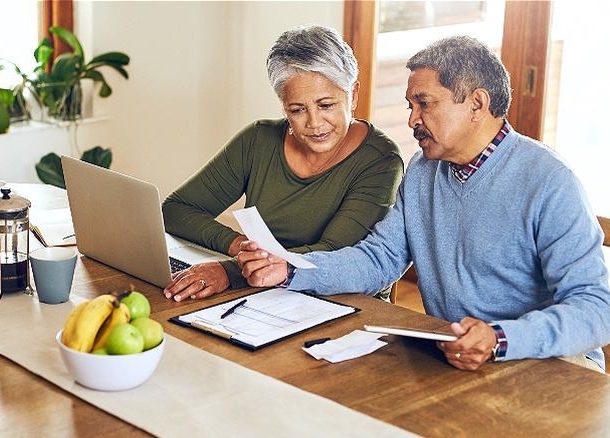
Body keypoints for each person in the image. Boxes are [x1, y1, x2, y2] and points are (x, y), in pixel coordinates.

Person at [238, 35, 610, 372]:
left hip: (552, 363)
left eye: (424, 104)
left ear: (477, 103)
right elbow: (379, 258)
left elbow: (596, 308)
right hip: (458, 357)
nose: (413, 119)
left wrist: (500, 338)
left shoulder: (549, 180)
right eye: (410, 106)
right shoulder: (422, 171)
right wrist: (290, 270)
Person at [161, 24, 404, 302]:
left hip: (342, 301)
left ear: (353, 95)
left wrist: (231, 272)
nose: (314, 124)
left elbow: (334, 253)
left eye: (326, 105)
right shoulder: (258, 140)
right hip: (263, 295)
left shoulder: (380, 160)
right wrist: (241, 248)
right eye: (297, 110)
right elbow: (176, 210)